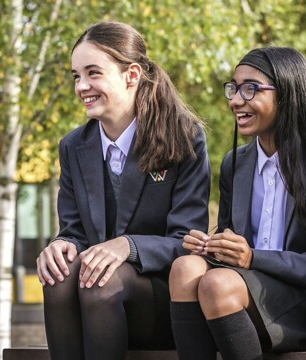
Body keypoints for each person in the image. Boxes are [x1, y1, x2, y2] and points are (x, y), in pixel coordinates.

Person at [36, 21, 210, 360]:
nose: (82, 86)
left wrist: (125, 246)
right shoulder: (73, 146)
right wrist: (59, 246)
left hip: (159, 300)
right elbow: (74, 232)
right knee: (58, 276)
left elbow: (186, 241)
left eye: (93, 73)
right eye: (76, 76)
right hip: (90, 295)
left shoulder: (185, 137)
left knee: (101, 281)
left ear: (131, 75)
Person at [169, 46, 306, 360]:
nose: (235, 100)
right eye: (233, 88)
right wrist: (213, 245)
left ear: (287, 94)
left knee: (217, 284)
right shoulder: (236, 164)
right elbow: (232, 242)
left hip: (303, 303)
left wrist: (252, 258)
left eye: (251, 88)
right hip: (247, 294)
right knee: (185, 268)